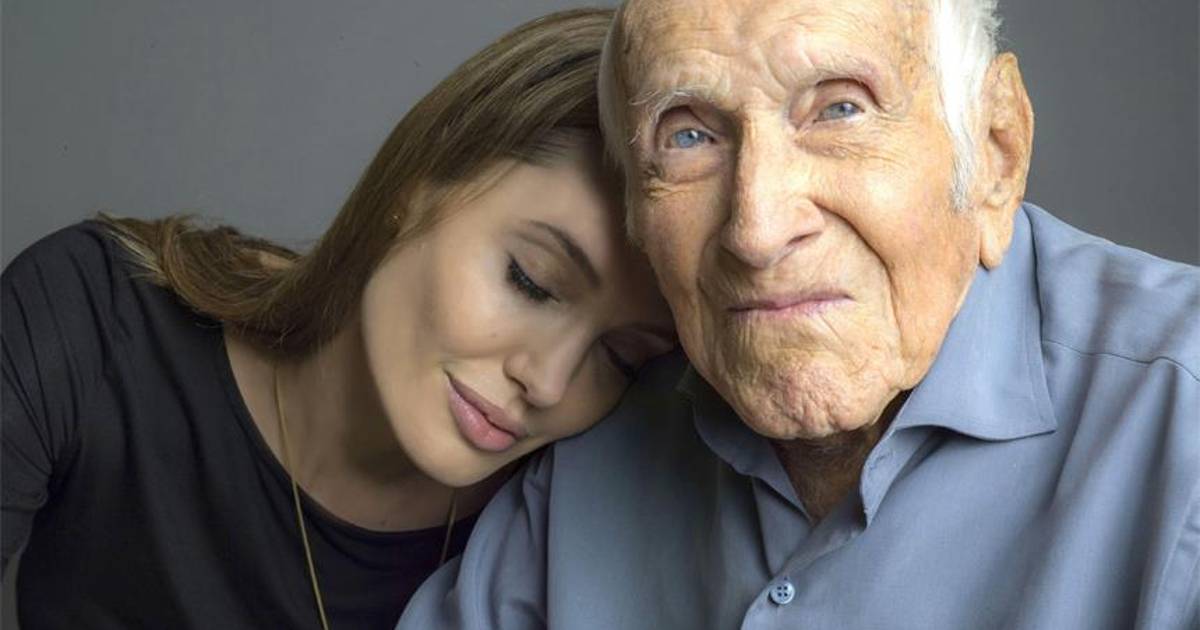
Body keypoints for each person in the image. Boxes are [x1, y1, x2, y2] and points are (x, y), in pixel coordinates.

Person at [398, 0, 1200, 628]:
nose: (757, 228)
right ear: (635, 209)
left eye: (840, 110)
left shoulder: (1180, 422)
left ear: (995, 151)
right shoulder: (600, 438)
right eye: (689, 136)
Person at [1, 8, 676, 629]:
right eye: (531, 280)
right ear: (420, 180)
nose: (548, 382)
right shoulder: (93, 319)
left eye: (620, 357)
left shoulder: (567, 530)